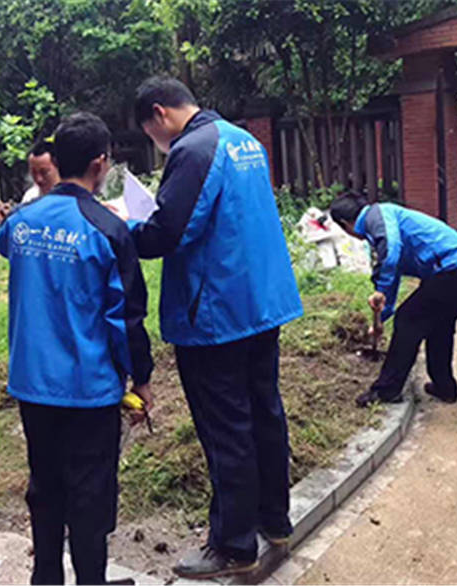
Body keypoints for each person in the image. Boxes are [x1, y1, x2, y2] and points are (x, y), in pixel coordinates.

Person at [129, 76, 303, 579]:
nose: (156, 144)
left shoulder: (193, 149)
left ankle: (233, 544)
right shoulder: (243, 140)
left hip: (216, 314)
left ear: (159, 114)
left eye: (149, 134)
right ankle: (275, 520)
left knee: (227, 429)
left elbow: (167, 233)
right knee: (265, 413)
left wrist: (121, 227)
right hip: (260, 303)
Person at [0, 112, 153, 585]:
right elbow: (127, 318)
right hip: (89, 390)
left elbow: (4, 243)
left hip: (32, 385)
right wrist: (141, 379)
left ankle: (45, 578)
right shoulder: (108, 230)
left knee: (44, 487)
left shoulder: (21, 224)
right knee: (89, 495)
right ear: (100, 163)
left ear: (57, 160)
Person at [329, 192, 457, 408]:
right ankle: (444, 387)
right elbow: (392, 272)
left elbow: (391, 253)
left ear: (344, 224)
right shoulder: (379, 223)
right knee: (439, 326)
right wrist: (382, 317)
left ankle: (387, 390)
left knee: (407, 320)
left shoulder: (377, 217)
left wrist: (381, 291)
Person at [22, 139, 62, 203]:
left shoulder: (71, 196)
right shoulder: (30, 197)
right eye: (34, 173)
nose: (39, 179)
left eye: (44, 172)